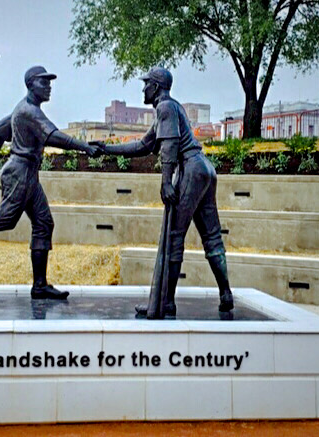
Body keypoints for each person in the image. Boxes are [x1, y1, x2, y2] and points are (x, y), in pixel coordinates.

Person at [0, 66, 100, 300]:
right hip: (20, 172)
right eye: (44, 82)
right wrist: (84, 146)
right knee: (5, 219)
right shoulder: (28, 111)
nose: (49, 87)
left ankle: (40, 285)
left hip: (28, 174)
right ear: (31, 84)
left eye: (49, 82)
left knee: (44, 223)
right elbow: (53, 137)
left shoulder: (21, 111)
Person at [100, 66, 234, 317]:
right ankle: (225, 293)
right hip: (205, 168)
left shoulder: (164, 108)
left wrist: (166, 182)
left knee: (174, 236)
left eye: (146, 84)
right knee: (212, 237)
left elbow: (169, 146)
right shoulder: (171, 108)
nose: (143, 89)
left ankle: (166, 303)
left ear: (156, 87)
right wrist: (106, 149)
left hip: (191, 169)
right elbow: (143, 146)